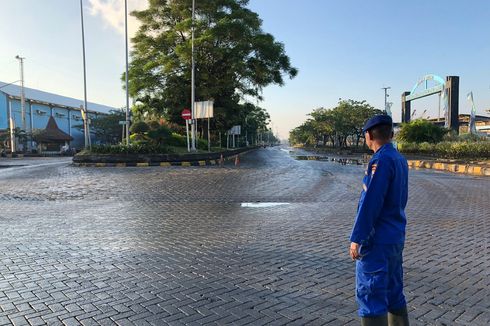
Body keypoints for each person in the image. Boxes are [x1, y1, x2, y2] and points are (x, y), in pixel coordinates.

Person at [349, 115, 410, 326]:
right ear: (391, 135)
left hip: (377, 241)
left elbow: (371, 203)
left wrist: (358, 237)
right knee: (394, 294)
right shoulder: (399, 159)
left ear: (368, 135)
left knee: (371, 295)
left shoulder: (380, 160)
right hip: (395, 238)